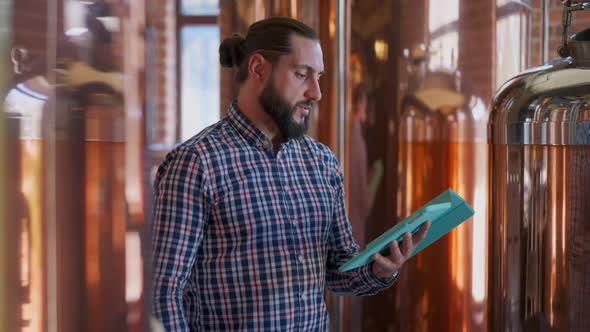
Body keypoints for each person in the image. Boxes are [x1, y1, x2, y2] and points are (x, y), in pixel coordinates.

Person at [151, 16, 430, 331]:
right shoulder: (195, 163)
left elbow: (339, 270)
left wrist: (382, 269)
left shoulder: (322, 162)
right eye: (302, 74)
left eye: (319, 77)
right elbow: (164, 293)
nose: (316, 93)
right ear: (258, 69)